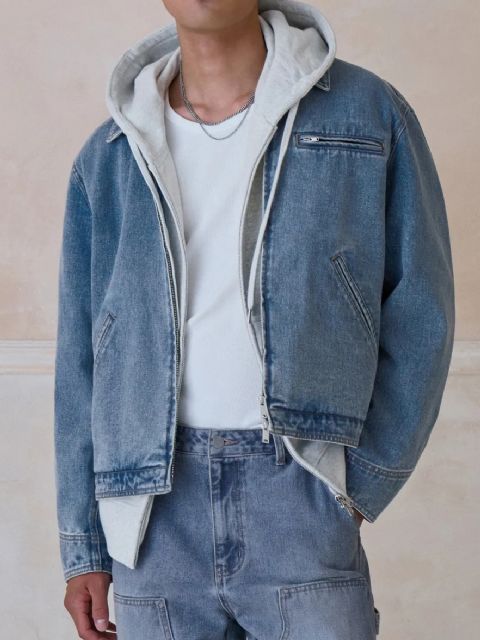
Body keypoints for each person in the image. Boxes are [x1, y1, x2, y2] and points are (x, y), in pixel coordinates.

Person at [53, 0, 455, 638]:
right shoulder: (109, 155)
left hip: (299, 489)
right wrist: (84, 548)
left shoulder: (366, 113)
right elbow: (81, 361)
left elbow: (422, 312)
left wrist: (356, 487)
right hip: (151, 514)